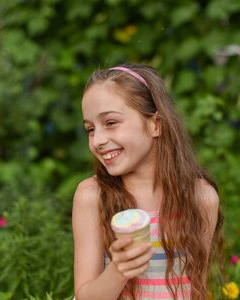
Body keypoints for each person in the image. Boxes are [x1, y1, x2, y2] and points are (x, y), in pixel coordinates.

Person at [72, 64, 224, 300]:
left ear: (155, 124)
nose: (98, 140)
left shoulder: (200, 199)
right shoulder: (93, 196)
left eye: (110, 122)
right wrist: (119, 270)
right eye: (90, 129)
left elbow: (196, 291)